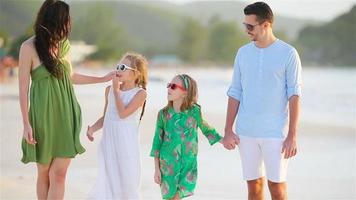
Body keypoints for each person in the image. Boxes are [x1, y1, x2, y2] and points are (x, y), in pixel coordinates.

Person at [18, 1, 115, 199]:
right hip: (42, 116)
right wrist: (26, 124)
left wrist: (102, 79)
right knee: (44, 174)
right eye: (66, 19)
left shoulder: (64, 46)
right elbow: (23, 89)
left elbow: (70, 77)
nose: (70, 23)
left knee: (59, 174)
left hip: (66, 115)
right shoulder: (28, 47)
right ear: (56, 19)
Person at [223, 2, 302, 200]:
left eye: (251, 26)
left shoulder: (288, 53)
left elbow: (294, 95)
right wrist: (227, 130)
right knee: (254, 187)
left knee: (277, 188)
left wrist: (292, 134)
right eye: (245, 26)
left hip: (276, 134)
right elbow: (235, 92)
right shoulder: (243, 53)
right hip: (246, 132)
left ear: (266, 25)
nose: (247, 30)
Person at [150, 74, 222, 200]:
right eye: (168, 85)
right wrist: (156, 169)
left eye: (173, 86)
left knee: (178, 196)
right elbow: (157, 142)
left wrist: (222, 139)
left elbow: (205, 127)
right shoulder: (163, 114)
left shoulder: (194, 111)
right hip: (167, 165)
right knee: (170, 198)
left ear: (184, 93)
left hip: (188, 165)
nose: (169, 89)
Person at [87, 52, 148, 199]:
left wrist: (116, 91)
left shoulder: (140, 94)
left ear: (136, 73)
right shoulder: (109, 90)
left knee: (127, 185)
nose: (118, 70)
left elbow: (123, 114)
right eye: (117, 67)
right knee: (108, 183)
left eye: (123, 67)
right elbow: (107, 116)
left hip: (126, 145)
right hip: (109, 144)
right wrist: (93, 129)